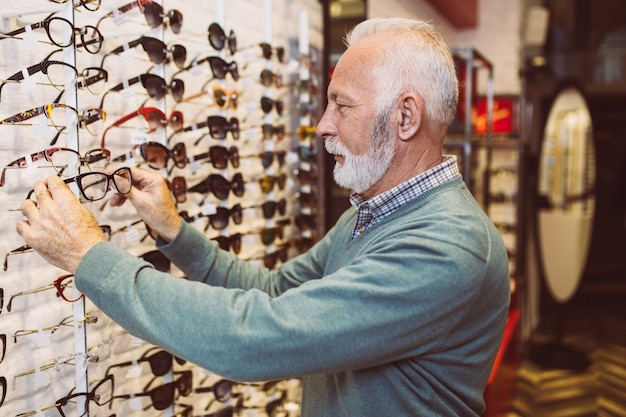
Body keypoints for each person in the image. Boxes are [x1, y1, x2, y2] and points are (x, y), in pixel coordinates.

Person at [16, 18, 510, 416]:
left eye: (342, 106)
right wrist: (174, 231)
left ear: (405, 117)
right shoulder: (375, 215)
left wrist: (90, 257)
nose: (323, 126)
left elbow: (258, 338)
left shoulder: (447, 246)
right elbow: (273, 293)